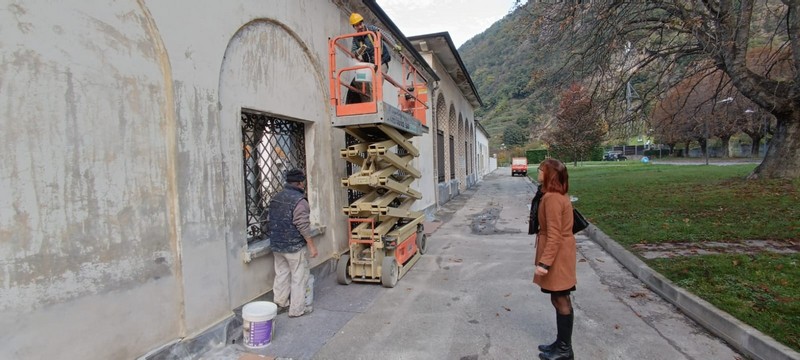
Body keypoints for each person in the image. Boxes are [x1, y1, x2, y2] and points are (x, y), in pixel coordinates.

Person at [533, 159, 576, 360]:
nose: (538, 172)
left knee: (560, 298)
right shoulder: (553, 195)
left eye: (542, 170)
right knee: (558, 297)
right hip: (560, 253)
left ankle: (564, 350)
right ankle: (561, 344)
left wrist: (544, 263)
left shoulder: (552, 198)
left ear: (549, 174)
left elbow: (555, 234)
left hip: (557, 256)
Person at [268, 169, 318, 318]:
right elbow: (302, 225)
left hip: (277, 245)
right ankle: (297, 310)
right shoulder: (299, 201)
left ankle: (280, 304)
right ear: (300, 183)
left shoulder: (276, 197)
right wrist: (311, 245)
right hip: (294, 247)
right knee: (298, 277)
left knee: (281, 274)